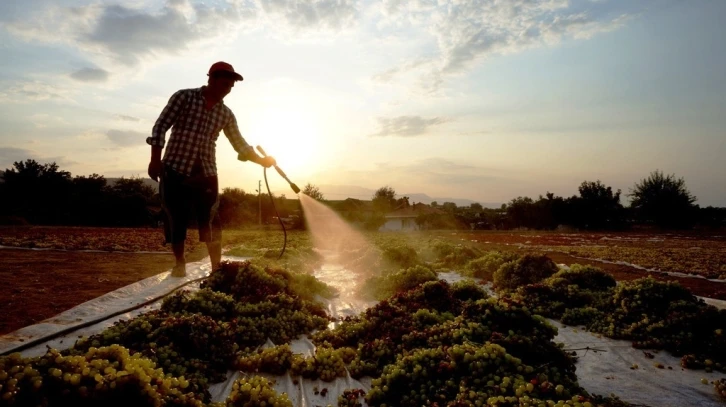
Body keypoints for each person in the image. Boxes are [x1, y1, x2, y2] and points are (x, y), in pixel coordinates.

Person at [146, 61, 275, 277]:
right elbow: (161, 126)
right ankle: (180, 263)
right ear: (211, 79)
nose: (227, 89)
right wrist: (155, 160)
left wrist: (262, 161)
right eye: (224, 84)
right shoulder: (184, 97)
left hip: (206, 172)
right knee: (175, 218)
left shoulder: (226, 114)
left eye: (230, 87)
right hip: (175, 168)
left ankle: (216, 268)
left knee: (212, 220)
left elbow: (240, 145)